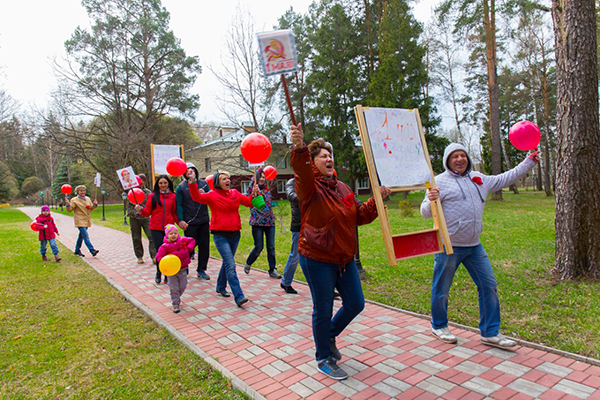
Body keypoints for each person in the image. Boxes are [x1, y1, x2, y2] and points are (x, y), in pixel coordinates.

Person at [289, 124, 391, 380]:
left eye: (330, 155)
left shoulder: (343, 188)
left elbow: (360, 215)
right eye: (322, 156)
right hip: (316, 258)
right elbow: (301, 171)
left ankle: (328, 334)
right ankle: (323, 357)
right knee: (322, 308)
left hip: (343, 258)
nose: (329, 158)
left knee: (356, 303)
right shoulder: (309, 186)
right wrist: (300, 147)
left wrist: (376, 200)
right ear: (313, 163)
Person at [421, 143, 539, 350]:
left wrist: (528, 161)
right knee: (441, 289)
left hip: (474, 246)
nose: (459, 159)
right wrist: (431, 199)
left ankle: (490, 332)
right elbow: (425, 212)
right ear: (447, 161)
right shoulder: (438, 182)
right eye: (454, 157)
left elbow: (506, 177)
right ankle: (439, 326)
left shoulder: (479, 179)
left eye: (462, 155)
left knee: (489, 285)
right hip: (449, 246)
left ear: (467, 158)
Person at [188, 170, 259, 307]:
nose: (227, 180)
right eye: (223, 179)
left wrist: (255, 193)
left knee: (228, 262)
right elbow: (197, 197)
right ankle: (239, 296)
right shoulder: (211, 195)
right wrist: (192, 182)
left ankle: (220, 287)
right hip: (220, 235)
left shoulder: (234, 193)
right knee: (231, 265)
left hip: (235, 234)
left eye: (228, 178)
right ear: (217, 182)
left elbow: (249, 203)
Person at [135, 175, 178, 284]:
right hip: (155, 228)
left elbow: (174, 213)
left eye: (165, 183)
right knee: (160, 251)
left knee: (169, 251)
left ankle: (167, 274)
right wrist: (141, 210)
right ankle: (159, 272)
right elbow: (147, 212)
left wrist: (180, 223)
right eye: (161, 183)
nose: (163, 185)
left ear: (168, 184)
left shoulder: (173, 196)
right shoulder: (152, 196)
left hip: (168, 229)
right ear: (157, 185)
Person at [243, 167, 282, 279]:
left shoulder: (266, 190)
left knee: (271, 247)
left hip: (269, 222)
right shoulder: (252, 189)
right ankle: (249, 262)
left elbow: (267, 204)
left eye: (264, 177)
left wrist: (261, 192)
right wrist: (254, 187)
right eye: (260, 176)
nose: (262, 179)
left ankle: (272, 269)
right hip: (257, 223)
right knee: (259, 247)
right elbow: (250, 198)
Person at [176, 163, 211, 280]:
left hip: (204, 220)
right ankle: (184, 267)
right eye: (188, 171)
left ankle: (201, 269)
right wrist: (180, 220)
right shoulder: (181, 187)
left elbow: (211, 198)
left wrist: (205, 194)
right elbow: (179, 204)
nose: (191, 172)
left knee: (204, 246)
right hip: (189, 221)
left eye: (192, 170)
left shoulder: (204, 184)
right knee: (189, 246)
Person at [155, 224, 196, 313]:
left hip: (182, 269)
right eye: (171, 234)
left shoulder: (182, 241)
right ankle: (175, 303)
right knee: (174, 287)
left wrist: (189, 248)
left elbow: (192, 240)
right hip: (171, 271)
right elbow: (158, 256)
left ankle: (176, 296)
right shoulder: (165, 246)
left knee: (183, 285)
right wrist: (164, 261)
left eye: (175, 233)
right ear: (166, 235)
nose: (173, 235)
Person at [125, 174, 156, 264]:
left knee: (151, 236)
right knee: (136, 238)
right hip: (134, 218)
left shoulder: (148, 192)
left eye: (142, 180)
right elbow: (129, 208)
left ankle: (154, 256)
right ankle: (139, 256)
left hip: (146, 217)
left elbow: (151, 205)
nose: (141, 181)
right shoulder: (131, 192)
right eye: (139, 179)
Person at [65, 185, 99, 257]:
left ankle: (77, 250)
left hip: (86, 220)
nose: (83, 192)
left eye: (84, 190)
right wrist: (68, 204)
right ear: (78, 192)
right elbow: (69, 210)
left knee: (81, 236)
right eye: (81, 191)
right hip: (79, 220)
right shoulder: (74, 200)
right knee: (86, 236)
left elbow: (91, 208)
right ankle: (92, 250)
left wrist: (95, 205)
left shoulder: (88, 199)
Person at [280, 178, 300, 294]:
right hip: (299, 224)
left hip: (314, 224)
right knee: (295, 255)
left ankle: (326, 288)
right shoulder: (291, 182)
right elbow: (292, 196)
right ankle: (286, 282)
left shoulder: (312, 180)